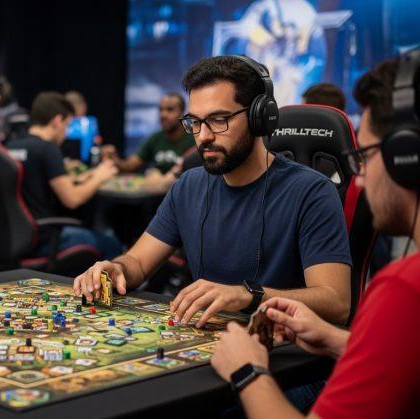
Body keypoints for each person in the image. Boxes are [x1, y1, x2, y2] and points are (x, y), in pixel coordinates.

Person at [209, 53, 420, 419]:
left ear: (407, 157)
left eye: (366, 156)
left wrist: (247, 370)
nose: (360, 179)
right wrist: (336, 339)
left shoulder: (405, 290)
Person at [74, 55, 351, 327]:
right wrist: (116, 268)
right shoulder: (188, 186)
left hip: (277, 346)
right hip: (205, 339)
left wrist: (248, 296)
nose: (203, 136)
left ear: (258, 117)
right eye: (195, 122)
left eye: (219, 120)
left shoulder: (312, 192)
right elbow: (137, 262)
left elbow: (336, 302)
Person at [7, 92, 122, 259]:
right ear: (57, 121)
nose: (66, 133)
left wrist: (85, 176)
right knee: (112, 244)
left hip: (14, 239)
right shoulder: (47, 149)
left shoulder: (11, 146)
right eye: (67, 125)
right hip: (43, 240)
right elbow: (72, 199)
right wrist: (100, 176)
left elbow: (33, 182)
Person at [103, 93, 194, 174]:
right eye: (161, 110)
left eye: (170, 110)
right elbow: (129, 165)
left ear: (182, 113)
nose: (163, 115)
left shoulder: (194, 138)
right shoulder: (156, 138)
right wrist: (113, 158)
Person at [64, 90, 101, 162]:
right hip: (68, 161)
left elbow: (97, 142)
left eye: (80, 104)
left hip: (88, 161)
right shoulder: (64, 122)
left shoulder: (91, 121)